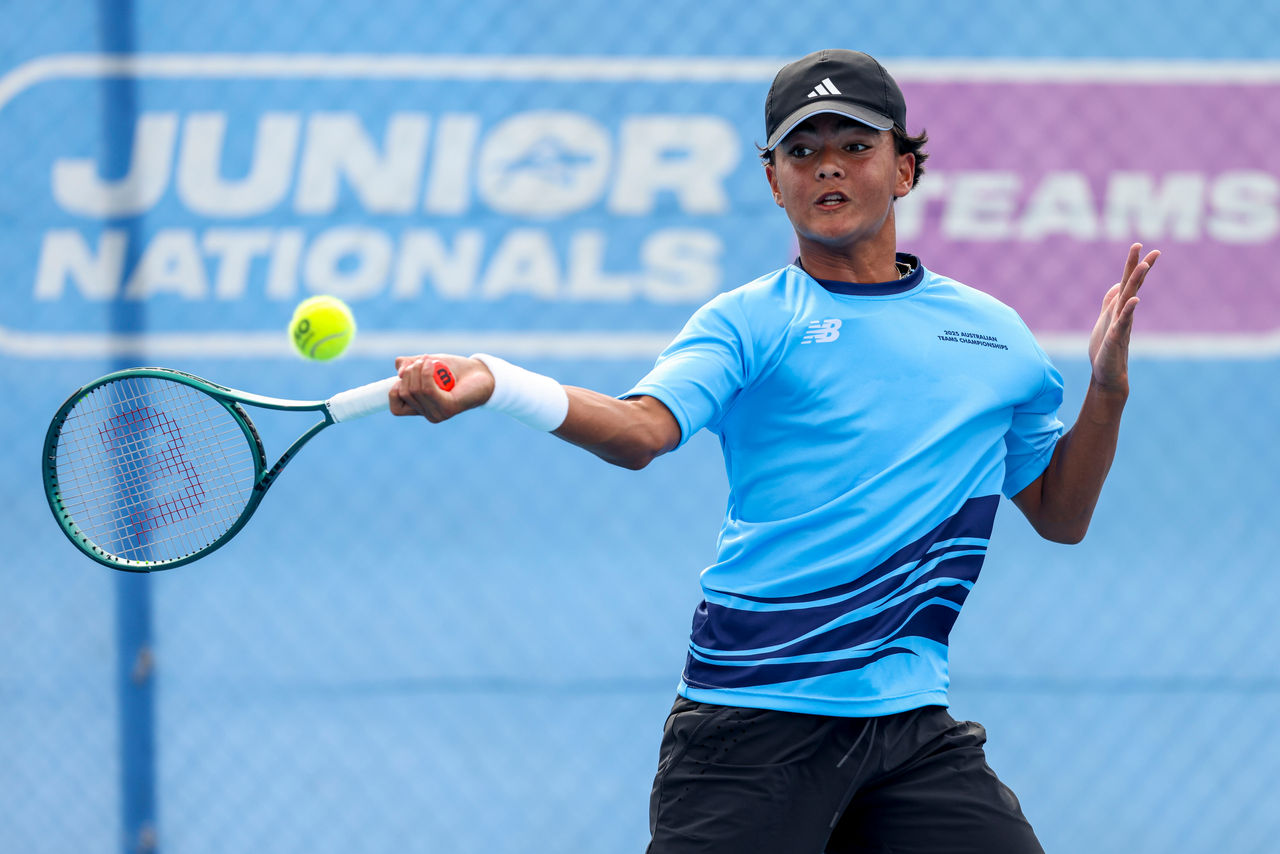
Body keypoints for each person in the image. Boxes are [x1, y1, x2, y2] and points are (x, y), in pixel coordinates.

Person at [389, 49, 1159, 854]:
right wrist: (494, 379)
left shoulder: (996, 337)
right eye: (802, 151)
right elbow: (640, 431)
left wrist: (1106, 390)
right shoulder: (748, 320)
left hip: (909, 731)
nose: (827, 167)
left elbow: (1061, 515)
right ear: (773, 180)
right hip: (750, 728)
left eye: (854, 147)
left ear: (904, 169)